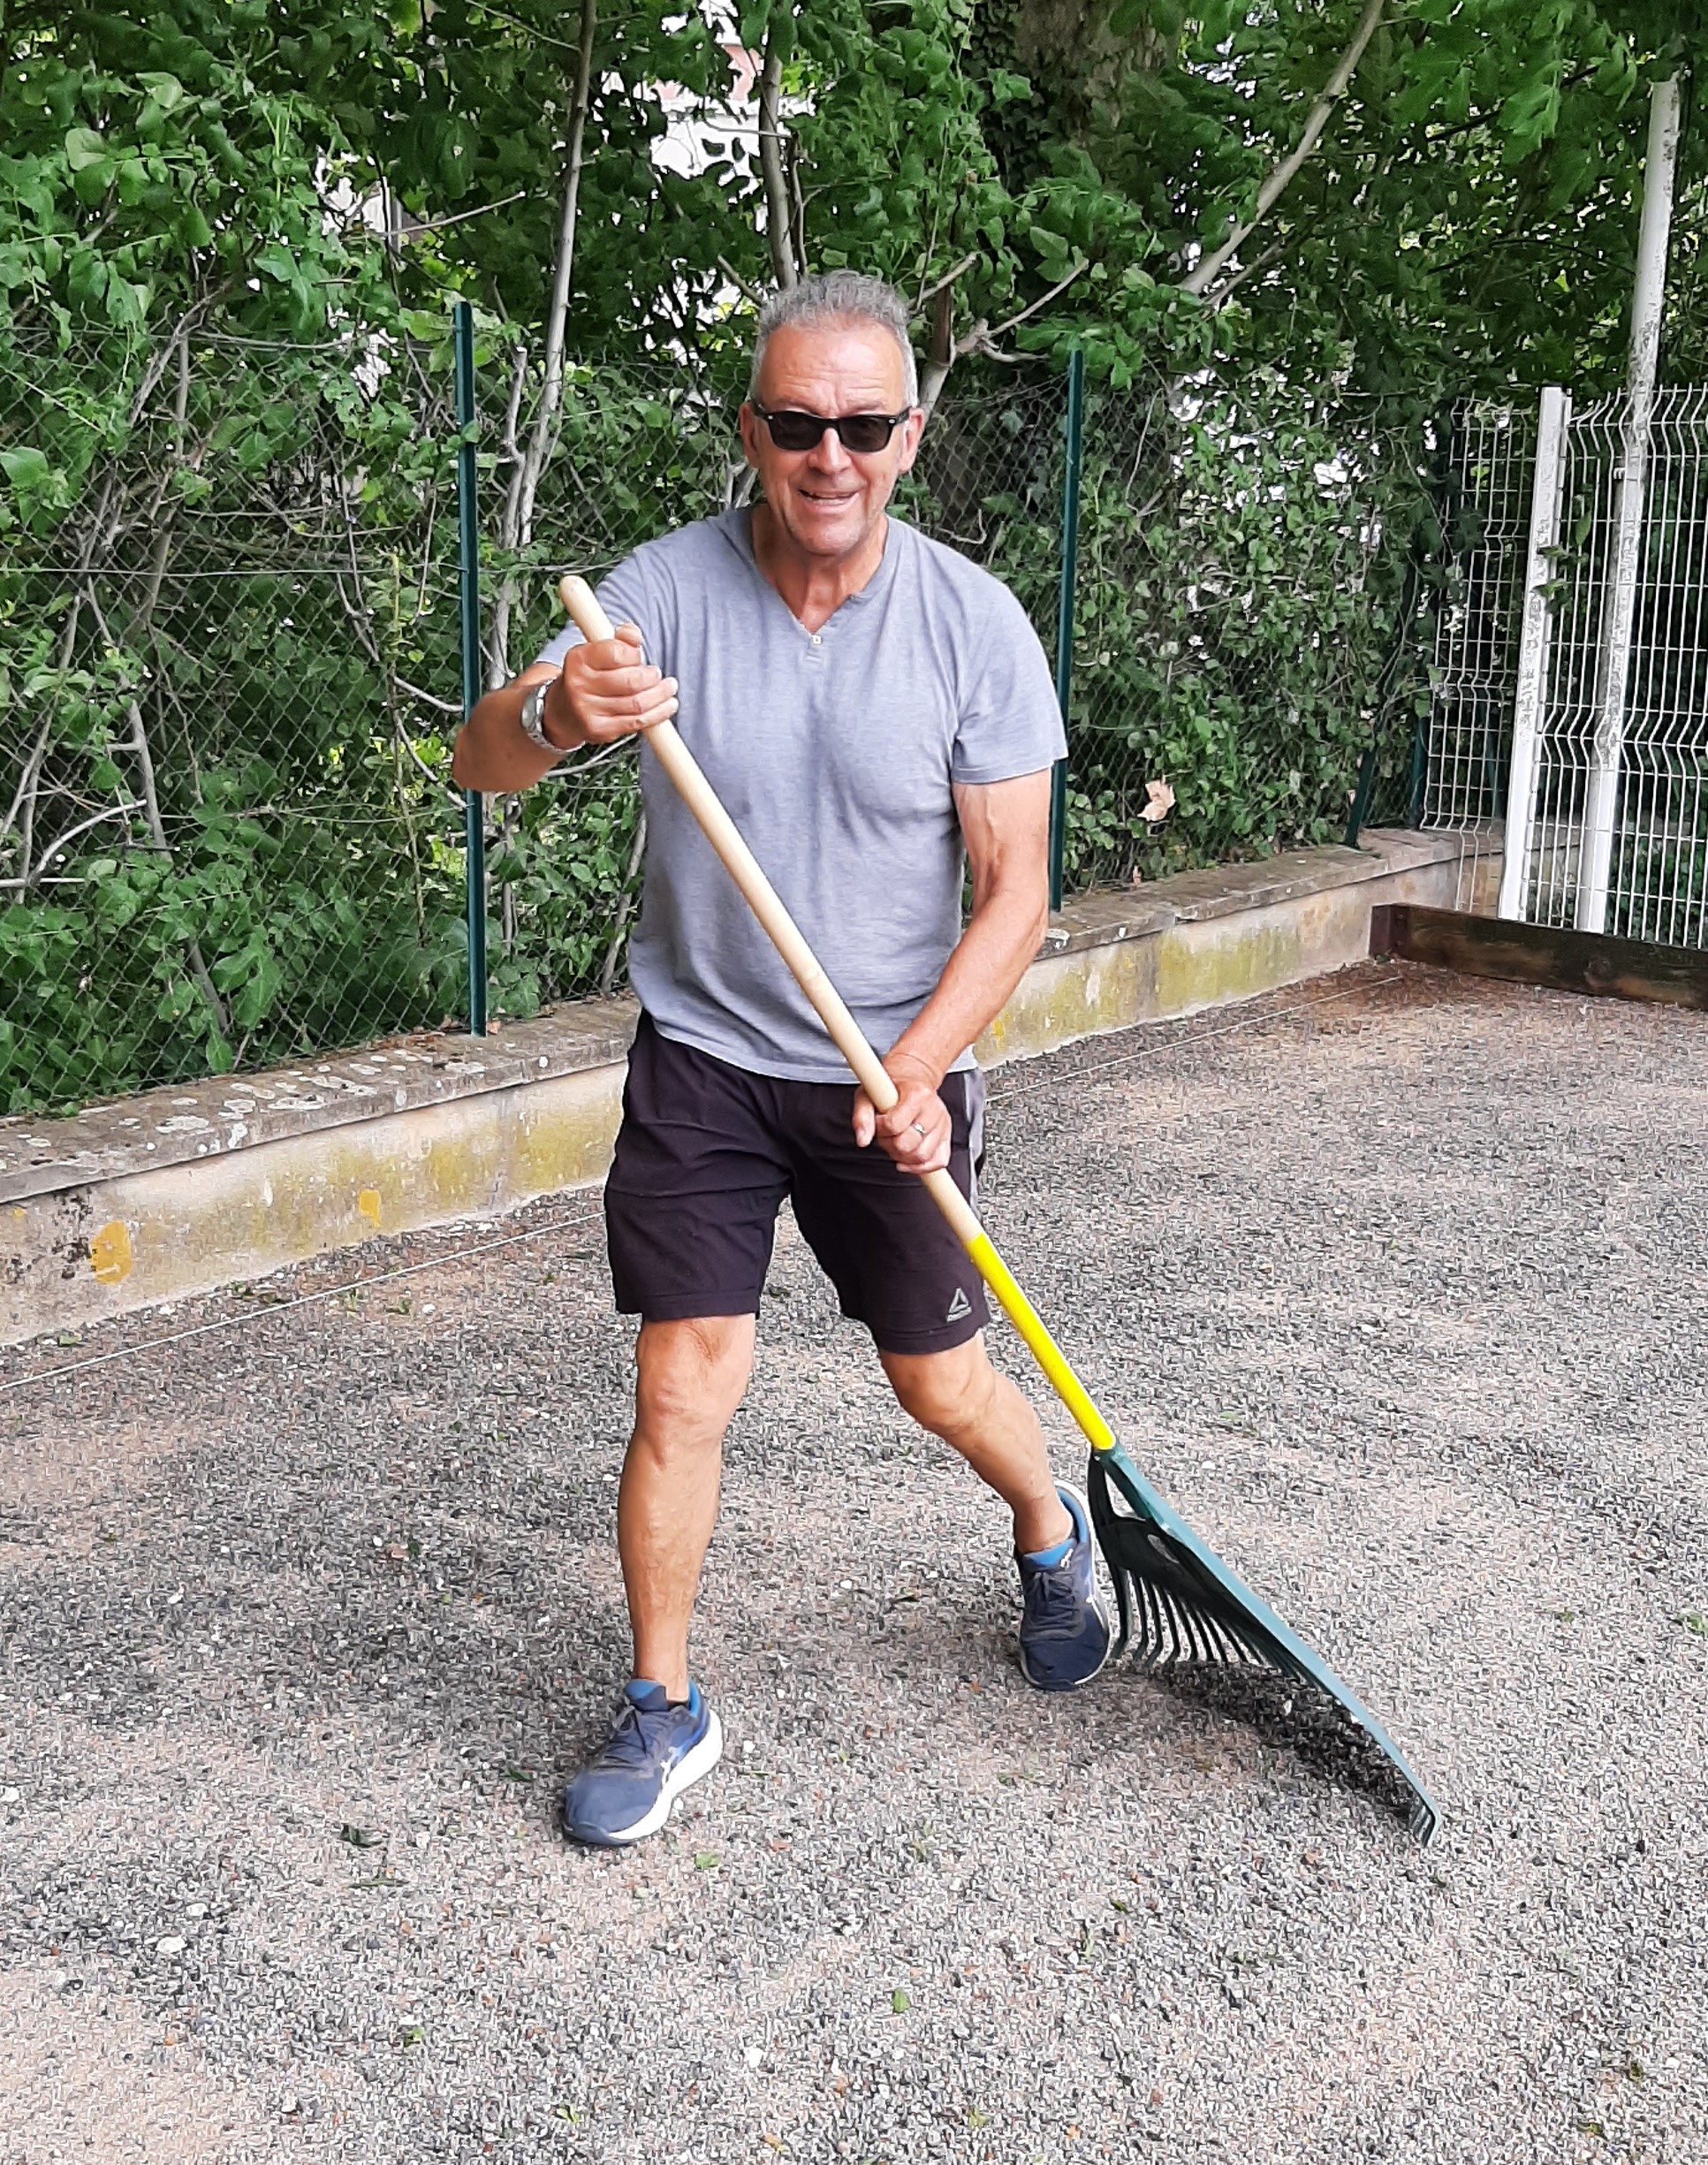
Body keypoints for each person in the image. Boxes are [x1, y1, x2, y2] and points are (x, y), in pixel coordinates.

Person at [452, 270, 1110, 1850]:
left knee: (935, 1377)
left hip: (891, 1057)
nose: (831, 454)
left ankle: (1045, 1517)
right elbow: (481, 765)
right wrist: (556, 710)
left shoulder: (971, 624)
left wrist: (925, 1068)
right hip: (707, 1057)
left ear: (910, 435)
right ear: (754, 429)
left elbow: (1017, 890)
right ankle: (666, 1705)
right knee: (684, 1379)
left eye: (864, 424)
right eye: (799, 422)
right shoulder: (657, 597)